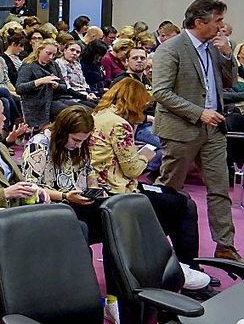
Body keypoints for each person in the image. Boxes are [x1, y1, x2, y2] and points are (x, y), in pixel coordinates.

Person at [88, 79, 211, 294]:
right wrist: (146, 155)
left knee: (175, 200)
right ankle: (186, 268)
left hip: (106, 186)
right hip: (120, 191)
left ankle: (180, 267)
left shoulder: (98, 116)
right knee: (184, 205)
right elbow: (133, 169)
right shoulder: (119, 124)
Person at [153, 0, 240, 261]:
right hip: (181, 129)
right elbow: (160, 92)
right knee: (169, 190)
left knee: (219, 188)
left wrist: (227, 55)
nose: (222, 26)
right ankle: (156, 241)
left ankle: (225, 245)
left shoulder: (215, 48)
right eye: (217, 21)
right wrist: (198, 112)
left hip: (213, 130)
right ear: (199, 22)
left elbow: (230, 82)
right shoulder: (171, 49)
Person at [22, 106, 102, 239]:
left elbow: (89, 171)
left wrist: (93, 189)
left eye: (83, 141)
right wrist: (64, 196)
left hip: (77, 201)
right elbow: (31, 188)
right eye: (76, 140)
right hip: (53, 206)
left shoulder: (80, 146)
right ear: (62, 132)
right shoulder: (39, 145)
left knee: (111, 216)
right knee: (81, 227)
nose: (79, 145)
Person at [15, 39, 83, 131]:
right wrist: (40, 81)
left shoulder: (54, 65)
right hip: (36, 103)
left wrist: (57, 86)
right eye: (48, 53)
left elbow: (64, 86)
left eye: (54, 55)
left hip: (54, 98)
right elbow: (19, 88)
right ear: (39, 50)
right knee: (68, 114)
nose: (51, 57)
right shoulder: (28, 66)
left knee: (81, 110)